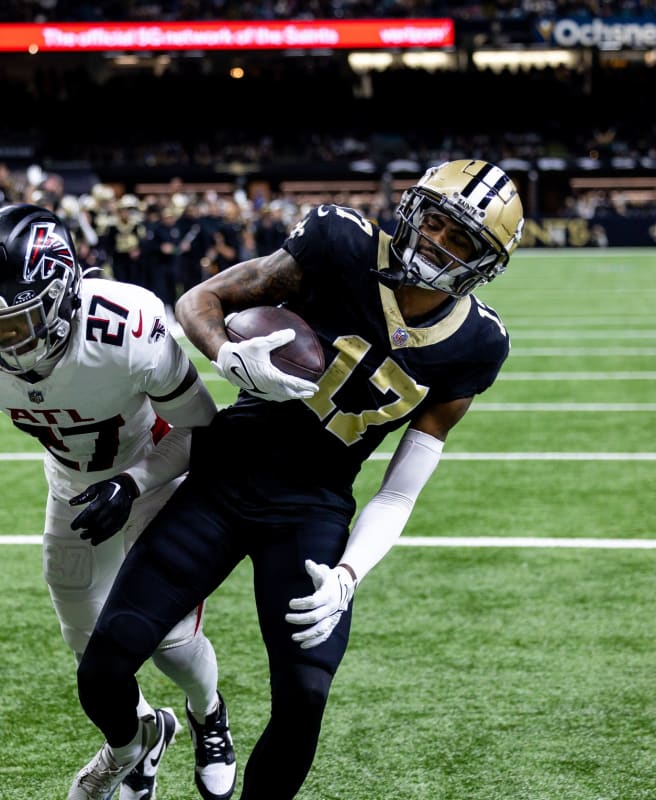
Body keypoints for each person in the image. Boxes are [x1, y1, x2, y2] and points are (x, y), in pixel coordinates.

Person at [71, 160, 525, 800]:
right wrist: (226, 354)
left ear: (484, 262)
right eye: (436, 223)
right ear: (413, 210)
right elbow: (202, 301)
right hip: (225, 476)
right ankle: (141, 742)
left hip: (314, 507)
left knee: (306, 696)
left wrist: (349, 575)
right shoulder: (341, 243)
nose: (436, 243)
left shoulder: (476, 344)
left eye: (461, 240)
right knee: (104, 667)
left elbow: (398, 489)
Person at [0, 203, 237, 800]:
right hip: (72, 484)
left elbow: (200, 430)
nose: (0, 340)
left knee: (170, 641)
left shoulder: (126, 330)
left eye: (15, 323)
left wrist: (130, 483)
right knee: (86, 645)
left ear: (59, 297)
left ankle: (210, 715)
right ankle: (138, 743)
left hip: (153, 472)